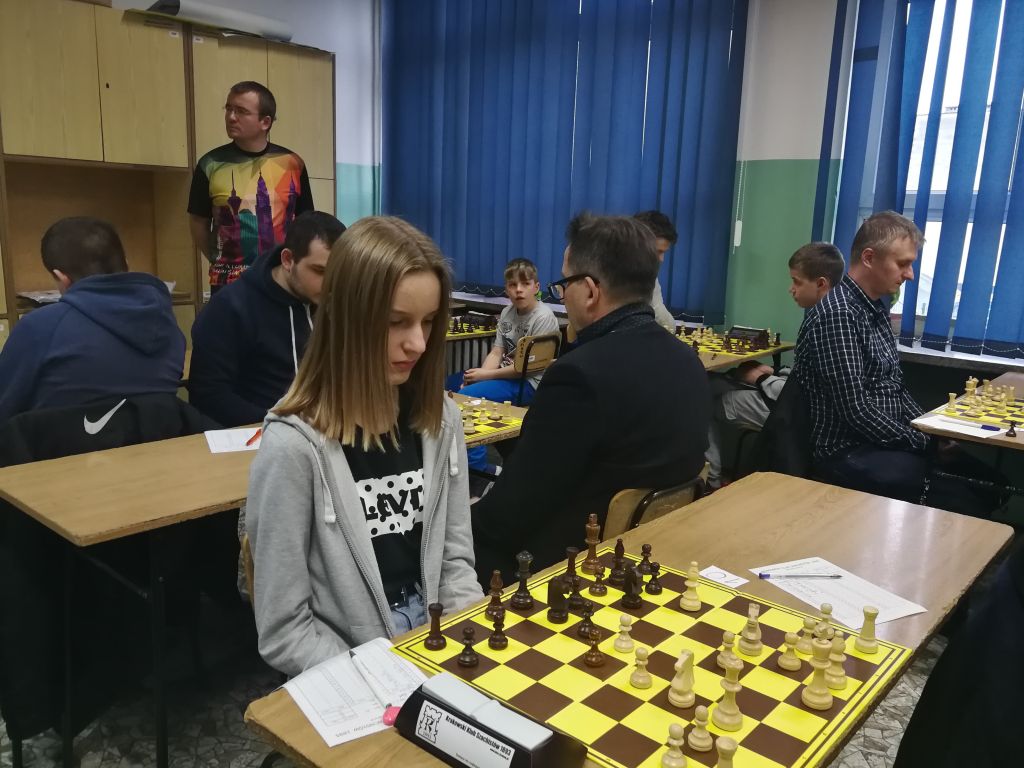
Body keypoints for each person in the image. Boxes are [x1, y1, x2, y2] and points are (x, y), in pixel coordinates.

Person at [246, 216, 483, 676]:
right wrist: (381, 677)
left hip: (435, 636)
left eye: (428, 322)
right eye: (396, 322)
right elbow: (285, 631)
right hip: (348, 661)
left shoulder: (441, 419)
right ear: (345, 319)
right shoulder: (293, 448)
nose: (418, 344)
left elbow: (455, 562)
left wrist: (466, 648)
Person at [472, 213, 710, 580]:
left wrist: (461, 521)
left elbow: (511, 511)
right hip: (654, 557)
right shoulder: (688, 361)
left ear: (589, 291)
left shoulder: (579, 376)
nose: (563, 296)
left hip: (570, 568)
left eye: (564, 283)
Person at [794, 211, 1003, 517]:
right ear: (869, 258)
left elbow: (895, 388)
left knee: (993, 485)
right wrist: (924, 442)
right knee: (967, 501)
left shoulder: (873, 309)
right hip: (848, 449)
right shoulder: (838, 315)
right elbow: (855, 410)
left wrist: (929, 431)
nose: (910, 274)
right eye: (902, 263)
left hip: (884, 441)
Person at [0, 217, 185, 425]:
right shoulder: (166, 321)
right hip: (157, 441)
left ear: (62, 278)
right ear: (126, 264)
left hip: (61, 445)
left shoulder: (40, 328)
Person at [705, 242, 845, 487]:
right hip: (789, 397)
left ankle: (711, 482)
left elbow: (805, 396)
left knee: (702, 400)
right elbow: (808, 377)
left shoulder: (826, 322)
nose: (791, 289)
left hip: (796, 417)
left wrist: (761, 379)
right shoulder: (832, 311)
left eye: (797, 282)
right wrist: (776, 372)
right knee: (711, 382)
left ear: (821, 284)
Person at [189, 211, 346, 427]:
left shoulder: (329, 304)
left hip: (324, 430)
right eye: (320, 271)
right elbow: (208, 396)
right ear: (288, 260)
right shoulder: (230, 307)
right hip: (257, 433)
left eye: (338, 273)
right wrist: (281, 425)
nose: (330, 284)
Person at [187, 81, 314, 294]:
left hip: (280, 278)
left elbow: (305, 221)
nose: (231, 117)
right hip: (228, 283)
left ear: (265, 122)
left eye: (241, 111)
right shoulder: (210, 164)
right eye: (228, 108)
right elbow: (198, 222)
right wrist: (217, 259)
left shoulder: (292, 163)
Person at [449, 257, 558, 472]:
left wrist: (482, 378)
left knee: (468, 398)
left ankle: (478, 468)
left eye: (525, 284)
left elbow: (526, 368)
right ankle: (454, 456)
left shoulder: (543, 318)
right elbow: (497, 351)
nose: (519, 290)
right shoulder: (507, 313)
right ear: (506, 289)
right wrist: (477, 376)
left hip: (530, 383)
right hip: (507, 376)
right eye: (512, 284)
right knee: (450, 384)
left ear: (536, 287)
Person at [633, 210, 677, 332]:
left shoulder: (648, 275)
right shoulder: (606, 274)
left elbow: (666, 323)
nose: (661, 259)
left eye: (663, 252)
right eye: (657, 251)